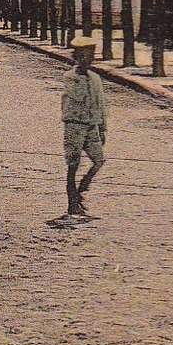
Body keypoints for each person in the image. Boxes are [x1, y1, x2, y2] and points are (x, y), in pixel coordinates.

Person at [61, 36, 108, 216]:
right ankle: (72, 203)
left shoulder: (95, 78)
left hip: (91, 126)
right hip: (74, 126)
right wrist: (82, 75)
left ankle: (81, 190)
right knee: (73, 165)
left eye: (91, 56)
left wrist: (102, 127)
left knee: (99, 160)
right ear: (77, 57)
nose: (89, 60)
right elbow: (77, 98)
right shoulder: (70, 78)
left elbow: (101, 104)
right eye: (85, 56)